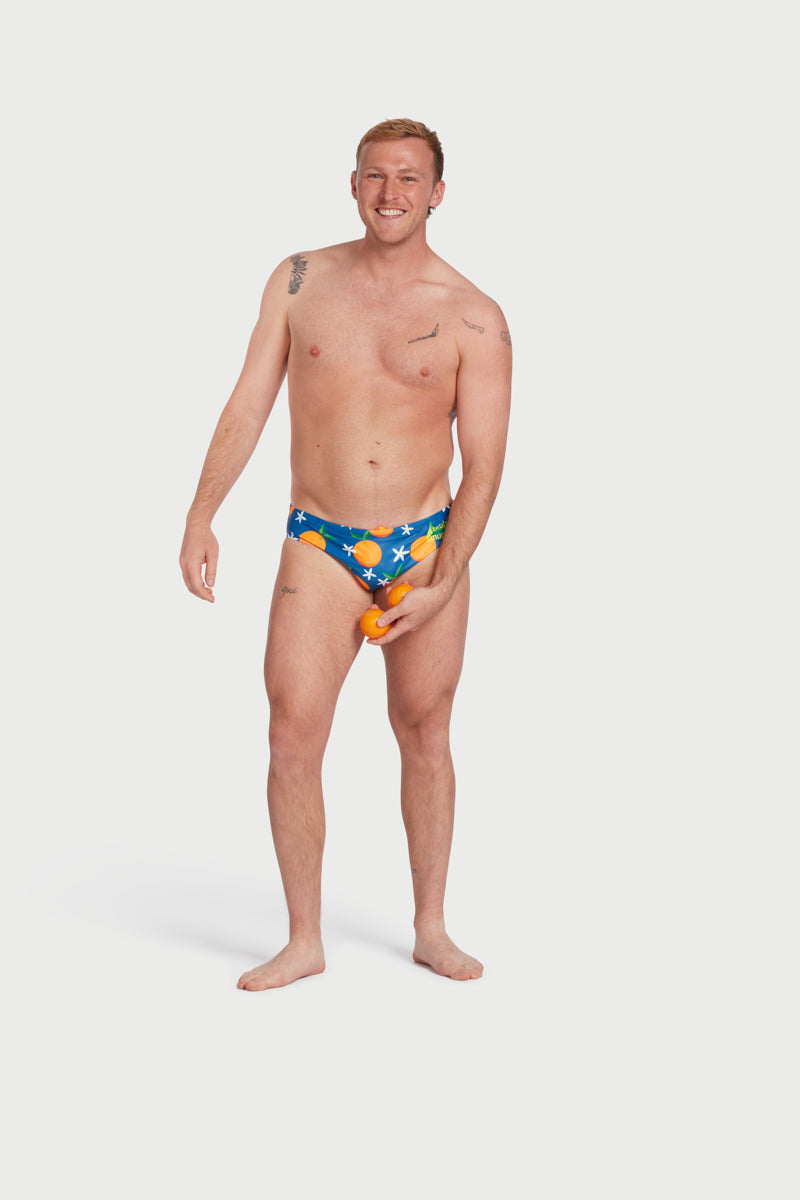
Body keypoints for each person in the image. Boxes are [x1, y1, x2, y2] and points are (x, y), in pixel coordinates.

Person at [179, 118, 512, 989]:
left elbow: (484, 466)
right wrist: (202, 513)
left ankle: (431, 927)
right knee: (291, 732)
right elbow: (249, 401)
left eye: (409, 178)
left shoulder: (474, 316)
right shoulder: (300, 279)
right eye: (375, 175)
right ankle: (303, 939)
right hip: (319, 541)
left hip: (425, 545)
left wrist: (443, 582)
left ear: (437, 194)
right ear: (353, 184)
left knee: (425, 730)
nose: (390, 192)